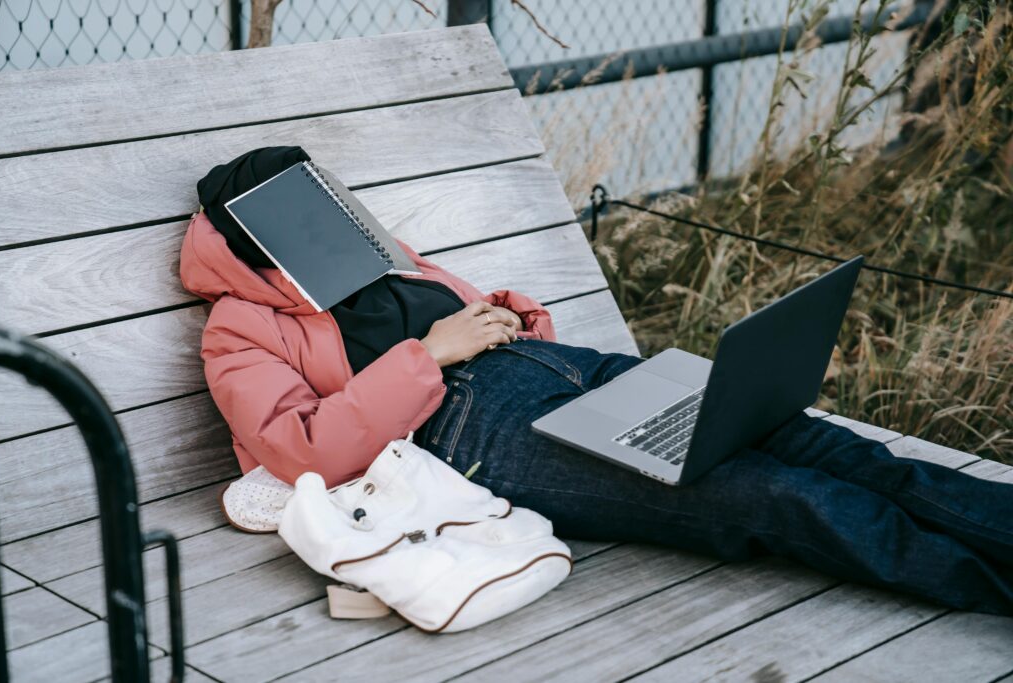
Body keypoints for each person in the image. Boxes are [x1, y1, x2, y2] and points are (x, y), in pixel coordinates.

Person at [181, 146, 1013, 617]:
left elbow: (460, 316)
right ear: (250, 240)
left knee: (811, 436)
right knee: (764, 491)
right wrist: (429, 354)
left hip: (561, 369)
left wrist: (505, 313)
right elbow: (300, 453)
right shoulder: (240, 328)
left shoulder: (372, 257)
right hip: (470, 432)